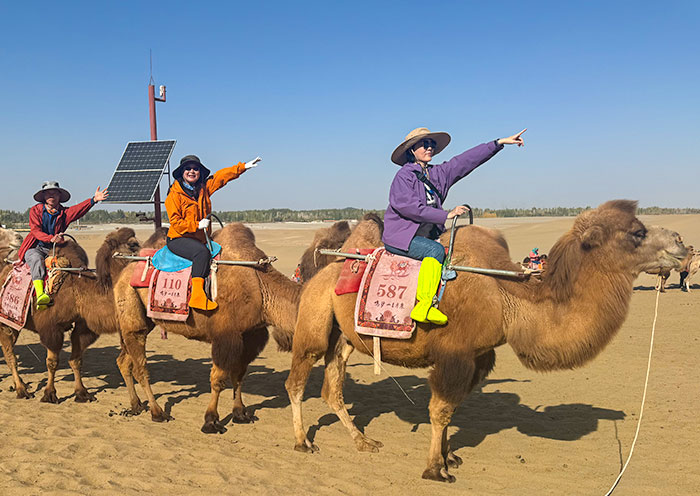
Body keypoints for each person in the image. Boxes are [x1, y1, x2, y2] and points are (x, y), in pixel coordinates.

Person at [383, 126, 526, 324]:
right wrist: (446, 214)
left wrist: (498, 143)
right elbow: (409, 208)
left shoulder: (438, 174)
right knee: (434, 251)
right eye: (424, 144)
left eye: (432, 144)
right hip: (402, 237)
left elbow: (464, 161)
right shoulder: (403, 177)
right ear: (411, 150)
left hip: (429, 233)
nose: (429, 147)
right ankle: (424, 306)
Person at [164, 154, 262, 311]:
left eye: (195, 169)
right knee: (201, 254)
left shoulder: (203, 188)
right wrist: (196, 225)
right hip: (179, 238)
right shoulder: (174, 194)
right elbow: (176, 222)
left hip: (199, 237)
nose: (191, 171)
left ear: (199, 172)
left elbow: (221, 177)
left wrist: (242, 167)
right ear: (182, 172)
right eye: (188, 168)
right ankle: (197, 296)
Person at [17, 181, 108, 308]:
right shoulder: (35, 211)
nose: (51, 195)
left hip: (55, 249)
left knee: (73, 261)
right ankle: (40, 295)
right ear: (43, 197)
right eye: (48, 193)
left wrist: (93, 200)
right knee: (36, 259)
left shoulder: (64, 213)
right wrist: (51, 238)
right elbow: (35, 231)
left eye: (54, 193)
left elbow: (78, 210)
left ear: (59, 196)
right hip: (36, 246)